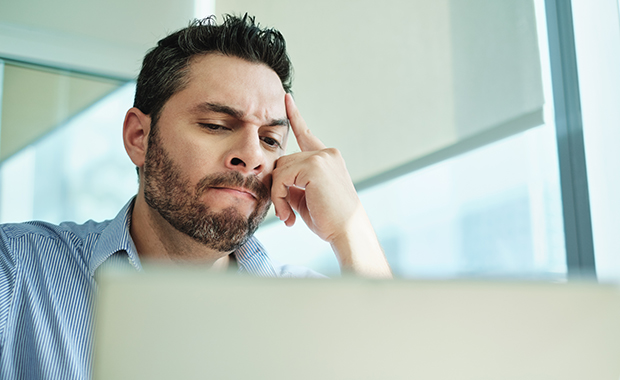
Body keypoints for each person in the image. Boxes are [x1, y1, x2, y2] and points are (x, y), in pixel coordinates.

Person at [0, 14, 391, 379]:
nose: (254, 156)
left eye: (270, 139)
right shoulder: (17, 272)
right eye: (217, 125)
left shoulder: (313, 310)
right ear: (139, 138)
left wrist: (349, 229)